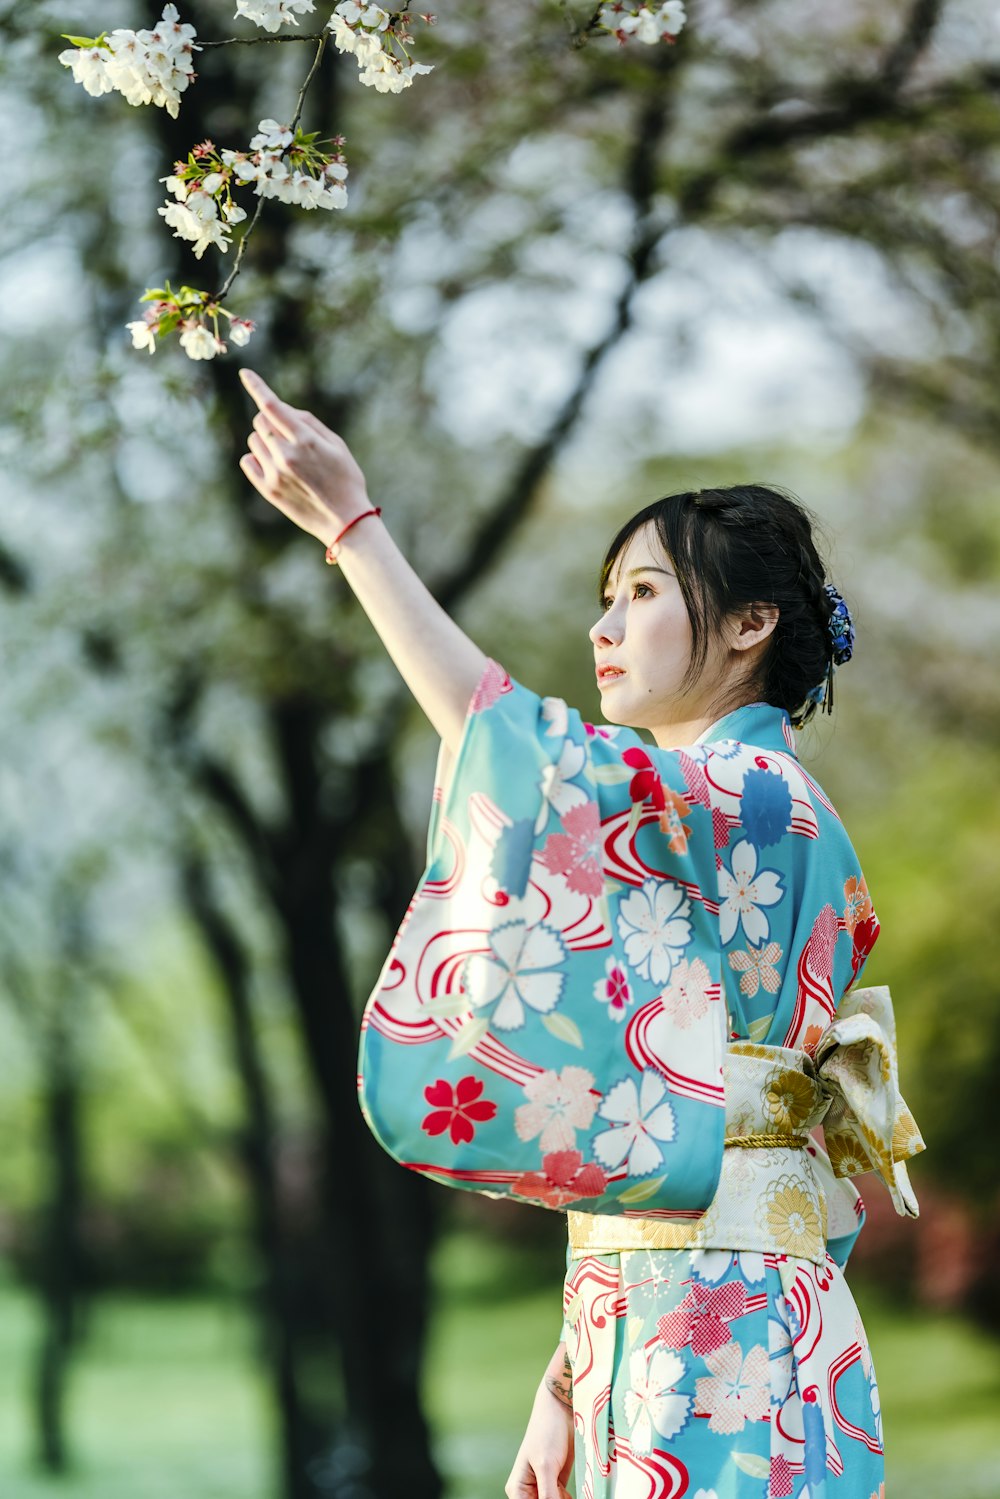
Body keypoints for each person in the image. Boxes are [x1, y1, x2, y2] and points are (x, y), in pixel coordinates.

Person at [238, 368, 924, 1499]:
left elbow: (513, 742)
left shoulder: (753, 793)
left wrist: (357, 530)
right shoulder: (719, 805)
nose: (604, 628)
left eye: (644, 593)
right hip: (658, 1320)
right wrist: (564, 1384)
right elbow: (694, 1148)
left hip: (727, 1335)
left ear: (752, 624)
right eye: (605, 596)